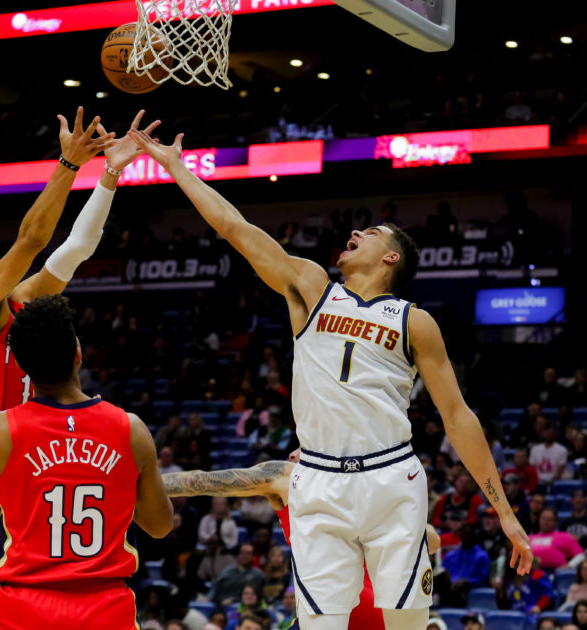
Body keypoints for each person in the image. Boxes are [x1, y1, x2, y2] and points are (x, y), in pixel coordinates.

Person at [130, 123, 533, 630]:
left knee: (407, 624)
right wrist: (174, 166)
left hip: (392, 476)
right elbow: (233, 227)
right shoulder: (312, 288)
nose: (357, 233)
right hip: (317, 479)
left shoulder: (414, 321)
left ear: (391, 257)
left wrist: (505, 512)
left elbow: (457, 417)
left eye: (372, 233)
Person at [0, 109, 157, 630]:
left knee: (14, 612)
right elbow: (30, 241)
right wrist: (68, 165)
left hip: (33, 466)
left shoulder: (21, 303)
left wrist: (110, 176)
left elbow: (74, 250)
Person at [0, 295, 174, 628]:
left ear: (23, 367)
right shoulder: (131, 429)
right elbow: (160, 525)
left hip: (24, 606)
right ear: (78, 355)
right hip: (105, 608)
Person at [161, 457, 442, 630]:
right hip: (320, 615)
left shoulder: (362, 477)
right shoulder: (288, 478)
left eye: (298, 450)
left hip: (382, 618)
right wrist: (142, 481)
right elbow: (203, 481)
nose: (292, 455)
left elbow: (432, 541)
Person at [529, 421, 568, 489]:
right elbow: (532, 469)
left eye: (551, 431)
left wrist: (551, 482)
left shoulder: (562, 450)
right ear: (543, 433)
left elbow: (560, 471)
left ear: (555, 434)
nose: (548, 434)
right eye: (546, 431)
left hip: (555, 483)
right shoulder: (535, 449)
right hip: (537, 483)